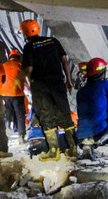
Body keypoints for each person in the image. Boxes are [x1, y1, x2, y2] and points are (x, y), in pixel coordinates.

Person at [15, 19, 75, 161]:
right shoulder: (53, 41)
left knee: (46, 115)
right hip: (57, 83)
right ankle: (73, 149)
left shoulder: (29, 47)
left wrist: (19, 78)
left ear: (25, 33)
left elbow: (29, 69)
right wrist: (69, 80)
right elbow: (65, 60)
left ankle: (54, 152)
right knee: (65, 114)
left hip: (40, 85)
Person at [2, 49, 28, 142]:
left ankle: (8, 123)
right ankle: (21, 137)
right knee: (20, 116)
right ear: (18, 57)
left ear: (10, 57)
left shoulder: (4, 65)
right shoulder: (20, 65)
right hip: (17, 94)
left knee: (8, 111)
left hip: (5, 94)